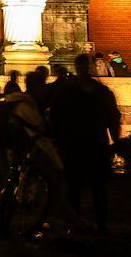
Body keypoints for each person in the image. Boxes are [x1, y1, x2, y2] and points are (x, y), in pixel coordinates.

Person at [50, 52, 123, 233]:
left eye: (85, 65)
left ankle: (96, 224)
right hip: (80, 144)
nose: (83, 68)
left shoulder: (93, 92)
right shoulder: (79, 92)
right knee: (78, 188)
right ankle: (79, 223)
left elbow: (112, 117)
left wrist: (116, 140)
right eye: (81, 65)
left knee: (94, 188)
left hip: (90, 144)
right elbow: (56, 118)